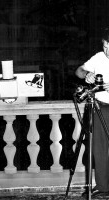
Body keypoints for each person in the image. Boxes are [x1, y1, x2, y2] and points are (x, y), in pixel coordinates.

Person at [75, 27, 109, 198]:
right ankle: (103, 186)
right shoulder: (99, 57)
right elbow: (78, 71)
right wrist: (86, 74)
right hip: (100, 107)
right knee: (99, 148)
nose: (107, 51)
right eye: (105, 46)